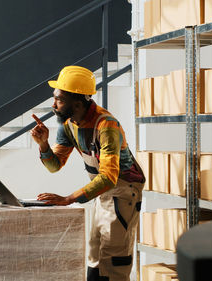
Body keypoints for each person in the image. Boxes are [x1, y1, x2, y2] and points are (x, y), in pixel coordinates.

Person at [30, 65, 145, 281]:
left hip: (123, 192)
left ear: (77, 102)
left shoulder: (106, 126)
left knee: (113, 259)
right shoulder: (68, 125)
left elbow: (110, 177)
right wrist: (43, 144)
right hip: (102, 191)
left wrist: (68, 199)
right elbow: (55, 165)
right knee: (95, 253)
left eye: (59, 100)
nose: (53, 105)